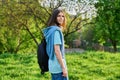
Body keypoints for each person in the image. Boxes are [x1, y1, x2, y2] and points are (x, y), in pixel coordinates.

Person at [42, 8, 68, 80]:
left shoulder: (50, 30)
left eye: (63, 16)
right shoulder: (56, 31)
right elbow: (57, 51)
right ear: (54, 17)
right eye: (58, 16)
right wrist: (63, 68)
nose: (61, 18)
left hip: (52, 65)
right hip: (58, 67)